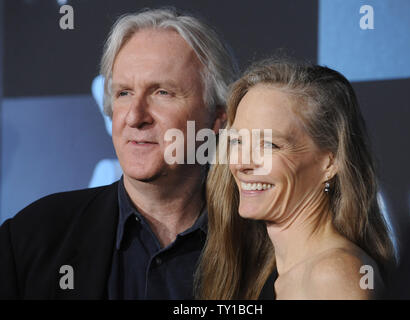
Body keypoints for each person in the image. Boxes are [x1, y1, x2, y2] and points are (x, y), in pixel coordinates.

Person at [0, 7, 238, 299]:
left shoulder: (265, 248)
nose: (135, 117)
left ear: (217, 117)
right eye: (123, 93)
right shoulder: (31, 238)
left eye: (162, 92)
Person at [196, 59, 396, 300]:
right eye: (237, 142)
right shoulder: (270, 271)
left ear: (330, 162)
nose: (241, 163)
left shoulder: (335, 275)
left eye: (269, 145)